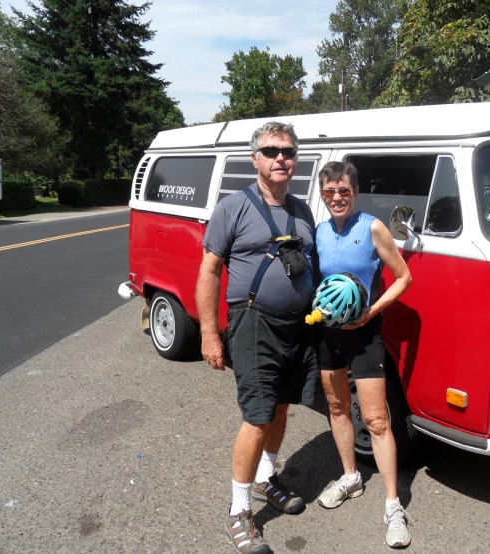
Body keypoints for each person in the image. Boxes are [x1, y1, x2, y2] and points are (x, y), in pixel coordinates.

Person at [196, 121, 318, 554]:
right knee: (257, 415)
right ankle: (238, 510)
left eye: (287, 151)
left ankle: (268, 480)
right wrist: (210, 333)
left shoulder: (304, 210)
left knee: (282, 405)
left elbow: (311, 267)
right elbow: (209, 270)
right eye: (271, 151)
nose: (280, 158)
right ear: (256, 158)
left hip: (299, 324)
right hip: (253, 323)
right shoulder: (233, 207)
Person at [314, 161, 413, 548]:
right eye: (329, 192)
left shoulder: (372, 227)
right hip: (327, 332)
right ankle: (351, 477)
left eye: (343, 191)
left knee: (376, 420)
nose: (336, 198)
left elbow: (404, 276)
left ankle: (393, 506)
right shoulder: (319, 232)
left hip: (365, 333)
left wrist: (371, 311)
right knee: (337, 408)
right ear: (322, 195)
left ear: (355, 192)